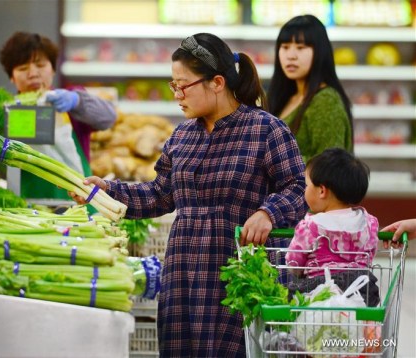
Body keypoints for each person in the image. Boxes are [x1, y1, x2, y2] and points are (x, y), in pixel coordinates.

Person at [70, 32, 307, 356]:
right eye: (173, 85)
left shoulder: (266, 130)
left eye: (184, 85)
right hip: (183, 274)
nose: (177, 94)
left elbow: (298, 188)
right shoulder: (182, 135)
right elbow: (160, 194)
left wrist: (268, 213)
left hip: (237, 274)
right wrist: (107, 191)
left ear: (217, 82)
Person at [0, 31, 117, 200]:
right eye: (23, 68)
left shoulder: (68, 101)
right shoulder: (4, 111)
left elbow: (109, 117)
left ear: (53, 69)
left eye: (40, 66)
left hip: (77, 202)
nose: (33, 74)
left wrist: (77, 101)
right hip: (24, 206)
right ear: (12, 77)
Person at [285, 148, 380, 306]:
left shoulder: (310, 226)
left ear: (322, 191)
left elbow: (293, 262)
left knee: (290, 296)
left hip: (318, 294)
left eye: (307, 185)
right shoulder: (370, 223)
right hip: (361, 292)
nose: (305, 190)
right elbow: (369, 255)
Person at [267, 14, 353, 162]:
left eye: (301, 47)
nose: (291, 56)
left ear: (320, 52)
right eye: (285, 47)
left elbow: (329, 166)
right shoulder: (286, 96)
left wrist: (273, 161)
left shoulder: (325, 101)